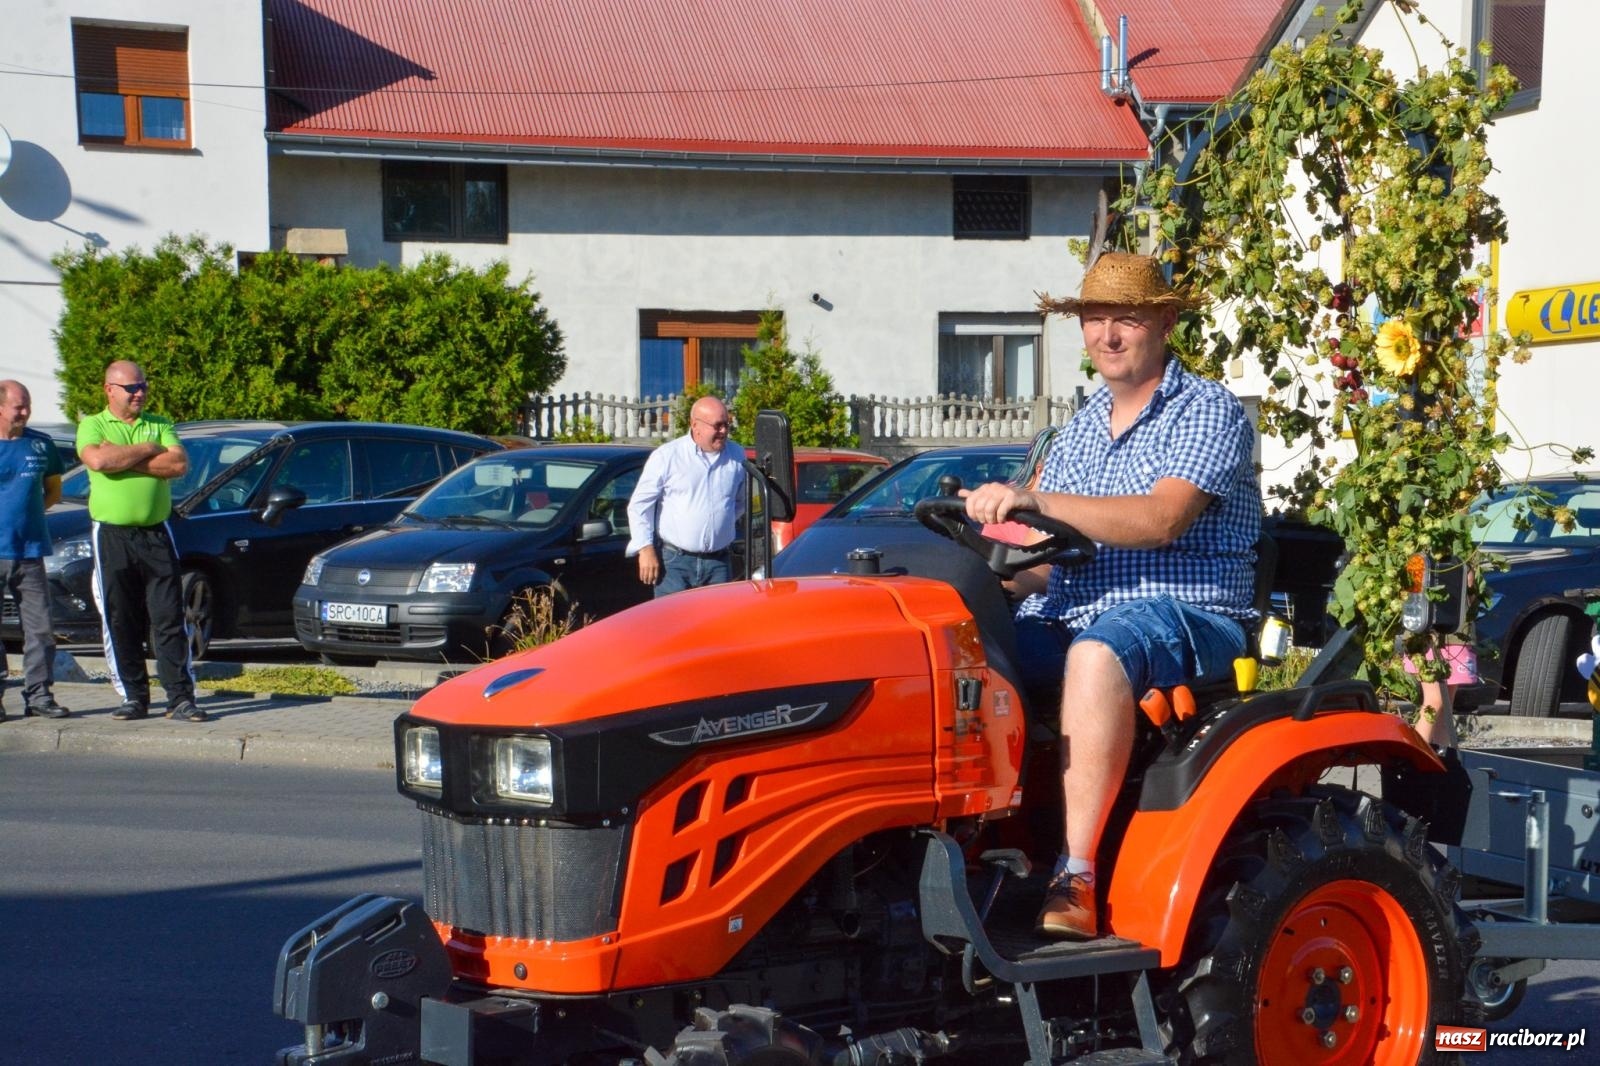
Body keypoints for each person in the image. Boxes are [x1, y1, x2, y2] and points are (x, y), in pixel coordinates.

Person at [961, 252, 1261, 940]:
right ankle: (972, 850)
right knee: (960, 654)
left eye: (1126, 318)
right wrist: (985, 581)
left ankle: (1077, 874)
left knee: (1097, 654)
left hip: (1191, 613)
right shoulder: (1081, 425)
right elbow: (1055, 559)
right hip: (1076, 609)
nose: (1108, 335)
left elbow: (1159, 521)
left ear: (1164, 321)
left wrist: (1033, 498)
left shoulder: (1207, 411)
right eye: (1096, 318)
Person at [77, 361, 208, 722]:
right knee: (121, 618)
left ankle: (180, 697)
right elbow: (99, 459)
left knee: (168, 616)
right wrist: (150, 451)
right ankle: (134, 696)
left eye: (143, 386)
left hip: (155, 532)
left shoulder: (160, 424)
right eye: (131, 388)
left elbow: (178, 465)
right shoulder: (93, 425)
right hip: (112, 535)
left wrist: (129, 456)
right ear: (110, 390)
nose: (139, 393)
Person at [626, 395, 747, 596]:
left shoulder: (736, 456)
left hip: (718, 563)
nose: (724, 431)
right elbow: (639, 505)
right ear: (695, 425)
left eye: (726, 424)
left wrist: (717, 526)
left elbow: (740, 502)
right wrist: (645, 549)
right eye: (717, 426)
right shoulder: (668, 456)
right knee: (673, 625)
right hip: (675, 563)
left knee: (717, 627)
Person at [0, 381, 71, 720]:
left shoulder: (40, 445)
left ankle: (40, 696)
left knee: (40, 628)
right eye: (19, 406)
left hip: (29, 550)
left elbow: (53, 492)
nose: (26, 412)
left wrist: (27, 518)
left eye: (27, 405)